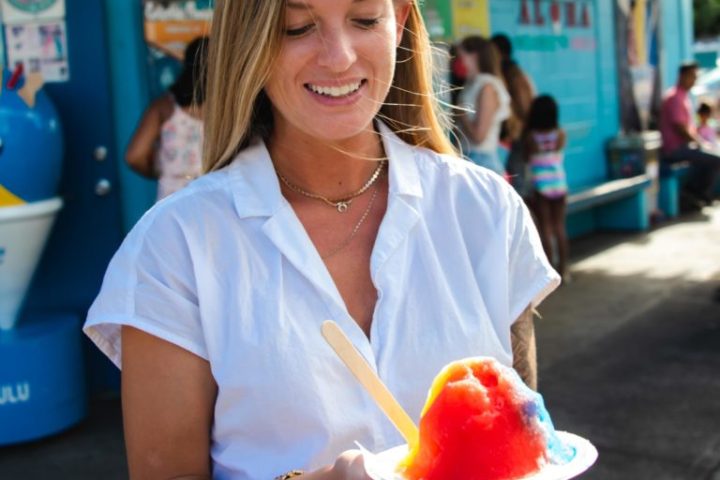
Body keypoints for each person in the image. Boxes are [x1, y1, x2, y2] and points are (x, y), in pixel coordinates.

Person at [84, 1, 560, 479]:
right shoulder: (173, 247)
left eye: (365, 19)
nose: (339, 57)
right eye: (298, 27)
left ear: (399, 22)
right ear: (250, 42)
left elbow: (529, 453)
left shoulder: (486, 212)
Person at [125, 36, 209, 200]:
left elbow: (134, 156)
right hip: (212, 194)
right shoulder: (228, 109)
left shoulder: (164, 107)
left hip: (173, 194)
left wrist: (161, 170)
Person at [660, 61, 720, 205]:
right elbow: (680, 127)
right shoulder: (675, 97)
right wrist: (700, 143)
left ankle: (697, 194)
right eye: (692, 76)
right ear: (683, 76)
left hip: (685, 147)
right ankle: (693, 193)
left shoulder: (683, 96)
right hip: (675, 149)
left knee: (709, 158)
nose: (694, 80)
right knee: (715, 158)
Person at [524, 95, 569, 281]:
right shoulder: (560, 134)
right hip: (559, 183)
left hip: (541, 184)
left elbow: (528, 158)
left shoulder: (531, 137)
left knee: (546, 228)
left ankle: (549, 272)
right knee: (559, 227)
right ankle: (565, 269)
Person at [456, 35, 511, 176]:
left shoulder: (487, 87)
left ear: (473, 56)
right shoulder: (472, 84)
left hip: (482, 161)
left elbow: (479, 136)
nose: (456, 61)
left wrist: (461, 113)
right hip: (469, 157)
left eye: (460, 55)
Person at [491, 33, 537, 202]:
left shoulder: (512, 75)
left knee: (519, 191)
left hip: (519, 137)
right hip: (515, 138)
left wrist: (514, 131)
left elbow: (525, 108)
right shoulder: (512, 73)